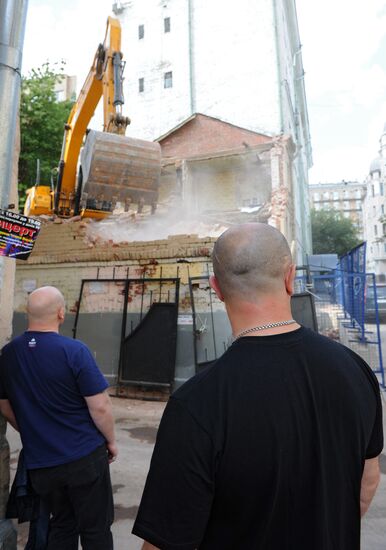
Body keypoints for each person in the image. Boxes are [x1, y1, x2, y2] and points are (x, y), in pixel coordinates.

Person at [133, 223, 383, 550]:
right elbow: (367, 482)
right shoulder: (355, 370)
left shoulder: (196, 404)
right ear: (290, 278)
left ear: (216, 288)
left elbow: (166, 541)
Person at [0, 286, 117, 550]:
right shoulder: (74, 351)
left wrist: (31, 430)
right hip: (84, 458)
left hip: (43, 465)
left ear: (28, 313)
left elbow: (4, 405)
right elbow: (100, 407)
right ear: (61, 313)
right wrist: (111, 441)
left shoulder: (9, 354)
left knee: (62, 524)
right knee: (95, 528)